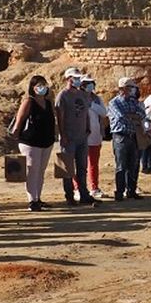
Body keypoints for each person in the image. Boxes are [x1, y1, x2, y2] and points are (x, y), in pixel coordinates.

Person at [10, 74, 57, 211]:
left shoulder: (48, 102)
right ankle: (32, 200)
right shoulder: (29, 102)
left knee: (41, 170)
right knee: (32, 170)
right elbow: (19, 120)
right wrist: (15, 134)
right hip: (30, 141)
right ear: (33, 87)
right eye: (39, 85)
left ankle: (38, 197)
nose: (42, 88)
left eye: (44, 85)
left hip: (46, 141)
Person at [56, 68, 94, 206]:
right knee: (67, 168)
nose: (77, 80)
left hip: (82, 136)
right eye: (74, 78)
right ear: (68, 79)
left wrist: (88, 127)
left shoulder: (81, 94)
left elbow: (86, 112)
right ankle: (69, 195)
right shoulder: (62, 96)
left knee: (82, 167)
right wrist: (63, 134)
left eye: (78, 78)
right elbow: (60, 117)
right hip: (69, 136)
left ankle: (84, 194)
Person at [108, 78, 144, 201]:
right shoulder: (114, 103)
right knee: (121, 166)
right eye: (130, 87)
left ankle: (131, 190)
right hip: (120, 136)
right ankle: (119, 192)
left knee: (133, 164)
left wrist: (132, 116)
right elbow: (121, 117)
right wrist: (134, 116)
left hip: (133, 136)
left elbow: (142, 114)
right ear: (123, 88)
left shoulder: (133, 102)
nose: (132, 90)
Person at [82, 76, 109, 200]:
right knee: (80, 164)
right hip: (81, 136)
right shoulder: (78, 98)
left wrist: (91, 104)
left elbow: (103, 113)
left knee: (93, 163)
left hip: (95, 136)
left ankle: (94, 187)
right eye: (87, 83)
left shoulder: (96, 99)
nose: (90, 86)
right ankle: (78, 188)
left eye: (91, 83)